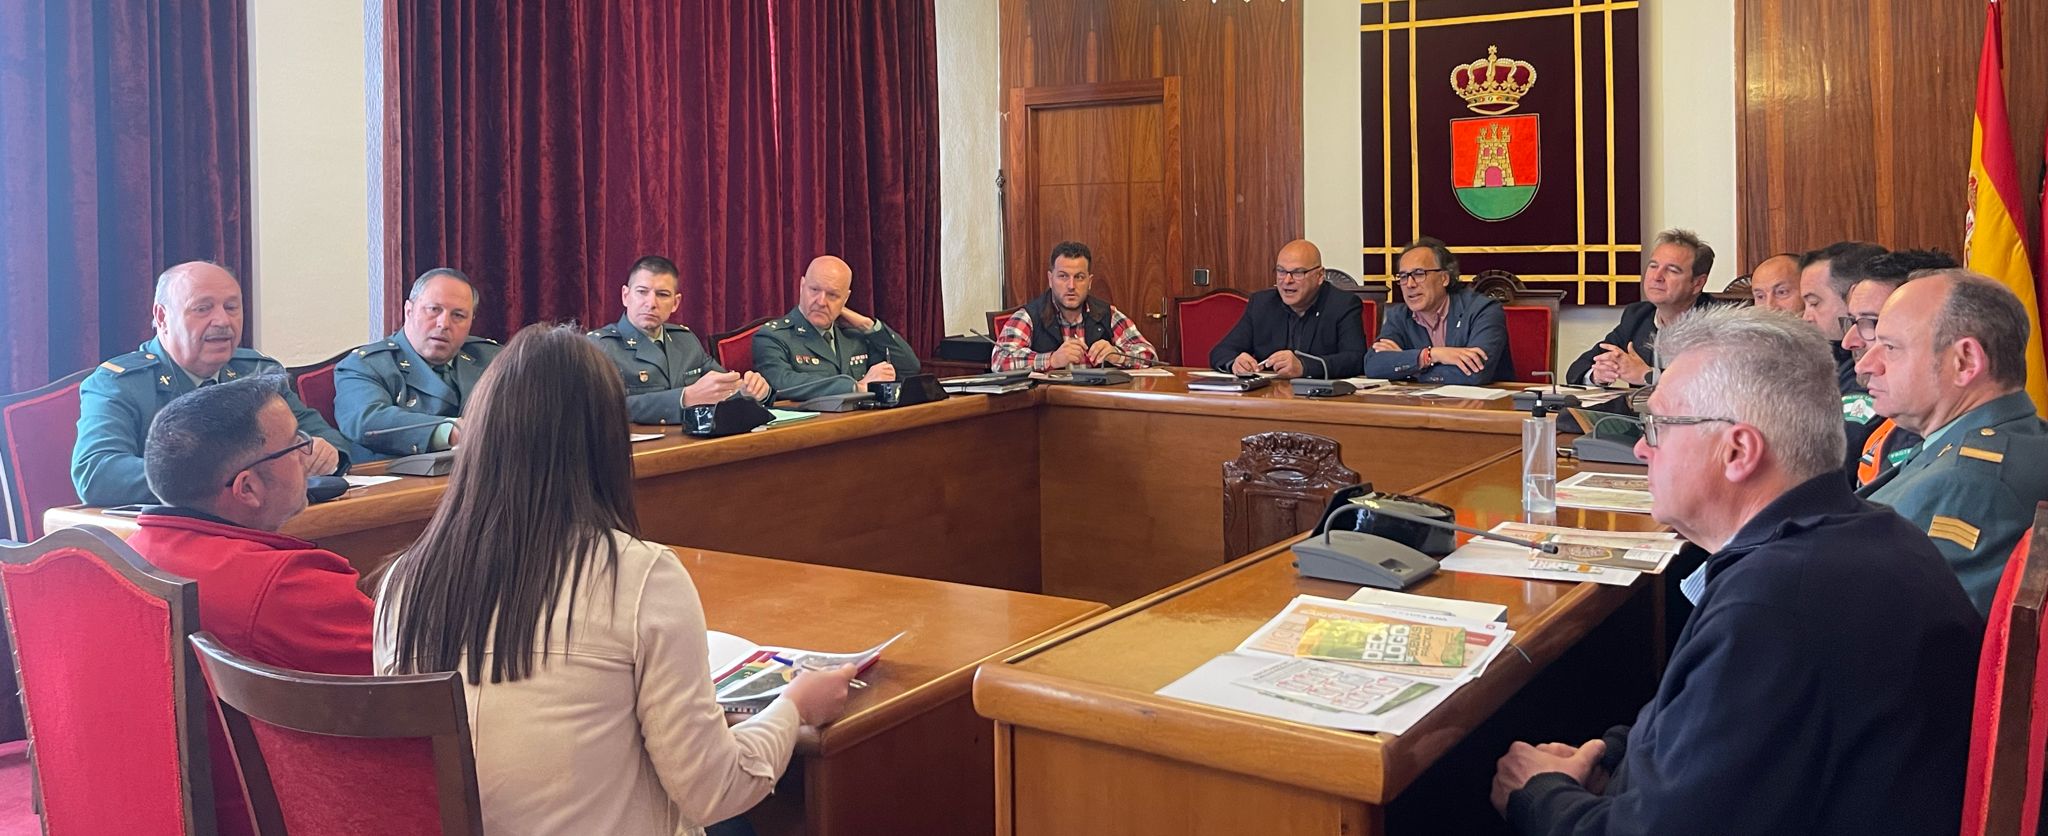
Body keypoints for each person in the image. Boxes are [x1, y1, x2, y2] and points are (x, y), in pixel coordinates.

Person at [1493, 306, 1980, 835]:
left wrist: (1537, 792)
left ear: (1738, 451)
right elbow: (1722, 729)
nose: (1640, 447)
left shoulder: (1776, 603)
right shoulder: (1866, 532)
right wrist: (1608, 755)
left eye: (1656, 427)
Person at [374, 325, 855, 836]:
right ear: (606, 443)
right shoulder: (640, 576)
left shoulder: (402, 583)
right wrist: (794, 706)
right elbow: (716, 790)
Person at [128, 376, 374, 836]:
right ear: (247, 489)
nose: (308, 454)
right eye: (296, 446)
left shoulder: (124, 558)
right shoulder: (286, 586)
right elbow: (413, 680)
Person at [73, 261, 348, 506]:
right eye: (202, 309)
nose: (222, 321)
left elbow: (331, 439)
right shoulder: (120, 383)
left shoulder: (258, 371)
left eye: (231, 307)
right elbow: (96, 472)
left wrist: (327, 453)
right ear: (162, 317)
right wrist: (216, 476)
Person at [1855, 270, 2048, 613]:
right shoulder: (2015, 438)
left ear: (1965, 362)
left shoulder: (1969, 483)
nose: (1867, 365)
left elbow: (1919, 637)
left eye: (1890, 347)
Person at [333, 268, 501, 458]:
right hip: (401, 482)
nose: (444, 323)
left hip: (486, 479)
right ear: (409, 311)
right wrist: (451, 432)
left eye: (458, 315)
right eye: (434, 310)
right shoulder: (366, 365)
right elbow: (367, 421)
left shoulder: (492, 359)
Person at [589, 255, 773, 424]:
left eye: (662, 294)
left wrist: (748, 392)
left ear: (675, 303)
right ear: (625, 296)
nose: (651, 303)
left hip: (694, 445)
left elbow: (722, 388)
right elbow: (602, 409)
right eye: (642, 292)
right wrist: (684, 398)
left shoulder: (685, 341)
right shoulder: (600, 347)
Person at [1836, 250, 1959, 487]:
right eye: (1851, 321)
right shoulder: (1895, 423)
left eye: (1871, 322)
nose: (1849, 341)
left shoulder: (1951, 444)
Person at [752, 255, 920, 402]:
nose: (821, 301)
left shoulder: (853, 336)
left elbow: (909, 368)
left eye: (832, 295)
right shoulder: (774, 336)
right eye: (814, 290)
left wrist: (869, 326)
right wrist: (856, 387)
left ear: (845, 298)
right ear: (802, 286)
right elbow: (783, 383)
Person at [1564, 229, 1716, 386]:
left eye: (1672, 270)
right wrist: (1598, 373)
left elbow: (1714, 386)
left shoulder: (1719, 325)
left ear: (1697, 283)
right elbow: (1577, 370)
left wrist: (1648, 376)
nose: (1657, 277)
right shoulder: (1638, 315)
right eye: (1653, 266)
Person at [1208, 239, 1366, 378]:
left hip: (1320, 401)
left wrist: (1305, 367)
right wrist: (1236, 363)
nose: (1287, 280)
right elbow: (1221, 351)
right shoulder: (1262, 304)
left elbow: (1355, 359)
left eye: (1298, 273)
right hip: (1270, 399)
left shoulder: (1343, 305)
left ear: (1319, 276)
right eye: (1281, 271)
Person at [991, 241, 1159, 371]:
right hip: (1048, 411)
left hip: (1098, 407)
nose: (1071, 285)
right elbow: (1000, 360)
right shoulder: (1029, 316)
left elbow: (1149, 355)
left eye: (1079, 277)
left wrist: (1117, 356)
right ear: (1050, 279)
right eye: (1063, 276)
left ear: (1090, 282)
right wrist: (1052, 360)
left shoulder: (1106, 313)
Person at [1363, 237, 1512, 383]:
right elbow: (1373, 366)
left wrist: (1408, 369)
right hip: (1421, 405)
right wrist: (1430, 355)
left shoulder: (1483, 310)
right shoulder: (1400, 316)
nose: (1409, 284)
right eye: (1403, 276)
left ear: (1444, 278)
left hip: (1483, 405)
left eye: (1419, 274)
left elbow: (1475, 373)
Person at [1798, 241, 1888, 393]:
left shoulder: (1870, 373)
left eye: (1814, 303)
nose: (1806, 318)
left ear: (1855, 295)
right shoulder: (1828, 360)